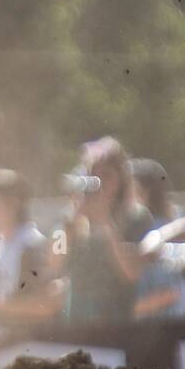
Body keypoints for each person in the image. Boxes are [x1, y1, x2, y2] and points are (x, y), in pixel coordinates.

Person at [61, 138, 152, 324]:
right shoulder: (72, 217)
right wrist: (71, 223)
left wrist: (106, 224)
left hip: (117, 318)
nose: (101, 182)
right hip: (78, 319)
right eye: (95, 175)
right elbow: (54, 259)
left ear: (121, 178)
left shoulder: (137, 217)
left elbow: (132, 272)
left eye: (107, 175)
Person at [0, 169, 60, 324]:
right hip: (2, 339)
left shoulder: (33, 245)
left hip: (25, 343)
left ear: (12, 204)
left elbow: (45, 305)